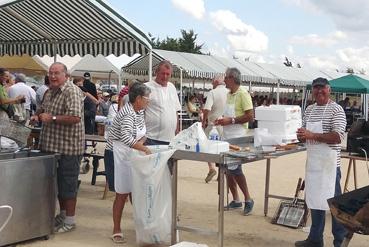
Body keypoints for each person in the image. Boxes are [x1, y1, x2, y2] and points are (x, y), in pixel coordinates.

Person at [30, 62, 84, 233]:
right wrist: (37, 115)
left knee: (68, 184)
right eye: (51, 73)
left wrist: (51, 118)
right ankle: (62, 215)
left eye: (56, 73)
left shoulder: (72, 91)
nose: (53, 76)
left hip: (68, 147)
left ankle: (70, 221)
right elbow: (44, 109)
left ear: (65, 75)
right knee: (58, 185)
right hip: (51, 146)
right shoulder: (49, 91)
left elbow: (75, 117)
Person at [295, 77, 347, 247]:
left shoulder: (336, 110)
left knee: (334, 206)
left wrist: (312, 135)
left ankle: (340, 241)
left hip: (330, 165)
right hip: (314, 163)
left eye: (322, 88)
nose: (319, 91)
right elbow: (304, 134)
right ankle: (315, 239)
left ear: (329, 89)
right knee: (315, 200)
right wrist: (299, 135)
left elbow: (337, 137)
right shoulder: (309, 109)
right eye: (315, 88)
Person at [108, 82, 152, 243]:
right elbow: (126, 138)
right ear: (138, 98)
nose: (149, 101)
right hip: (120, 155)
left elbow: (142, 132)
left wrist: (142, 144)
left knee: (137, 191)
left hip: (132, 153)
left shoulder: (139, 111)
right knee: (122, 193)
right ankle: (116, 228)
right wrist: (145, 149)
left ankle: (141, 224)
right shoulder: (127, 112)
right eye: (147, 98)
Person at [214, 67, 254, 216]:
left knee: (236, 170)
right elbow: (230, 115)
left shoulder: (243, 94)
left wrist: (230, 120)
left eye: (226, 78)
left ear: (232, 78)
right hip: (228, 135)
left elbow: (250, 116)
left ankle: (248, 199)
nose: (224, 80)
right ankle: (236, 200)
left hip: (239, 135)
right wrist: (222, 121)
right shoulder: (229, 94)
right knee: (227, 170)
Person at [144, 60, 181, 146]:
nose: (165, 76)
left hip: (171, 139)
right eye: (162, 73)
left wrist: (177, 129)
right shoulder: (146, 87)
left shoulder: (172, 87)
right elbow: (139, 111)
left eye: (168, 74)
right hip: (151, 138)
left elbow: (175, 110)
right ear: (156, 72)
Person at [202, 75, 228, 183]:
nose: (212, 84)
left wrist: (204, 121)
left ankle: (211, 168)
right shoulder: (229, 92)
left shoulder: (212, 92)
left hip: (212, 124)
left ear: (216, 82)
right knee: (223, 150)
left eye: (213, 82)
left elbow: (207, 108)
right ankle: (222, 172)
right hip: (225, 126)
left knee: (206, 147)